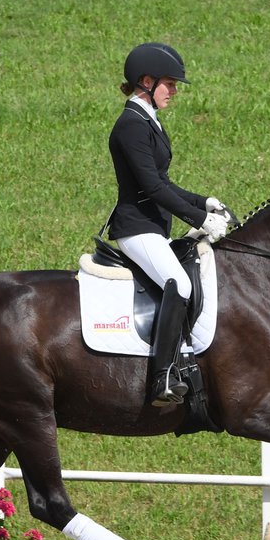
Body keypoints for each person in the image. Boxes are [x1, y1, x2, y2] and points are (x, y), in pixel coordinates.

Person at [105, 42, 231, 407]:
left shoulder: (148, 121)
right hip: (136, 228)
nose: (174, 91)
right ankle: (164, 377)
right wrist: (200, 219)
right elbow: (152, 187)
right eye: (170, 84)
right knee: (179, 285)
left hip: (152, 226)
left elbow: (165, 183)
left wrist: (202, 202)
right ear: (146, 81)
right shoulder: (131, 125)